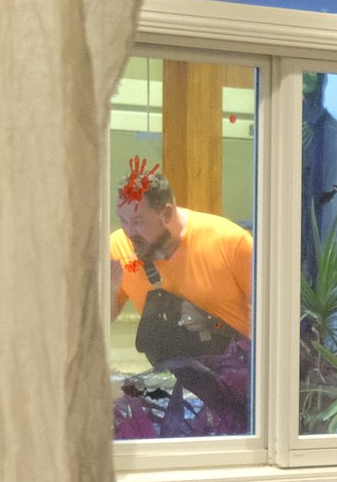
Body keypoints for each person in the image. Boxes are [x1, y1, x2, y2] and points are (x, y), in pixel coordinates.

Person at [108, 160, 255, 434]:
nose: (129, 232)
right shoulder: (118, 248)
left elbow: (276, 319)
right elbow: (102, 319)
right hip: (176, 385)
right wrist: (107, 288)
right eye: (123, 221)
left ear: (166, 213)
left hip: (240, 384)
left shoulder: (230, 242)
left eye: (138, 222)